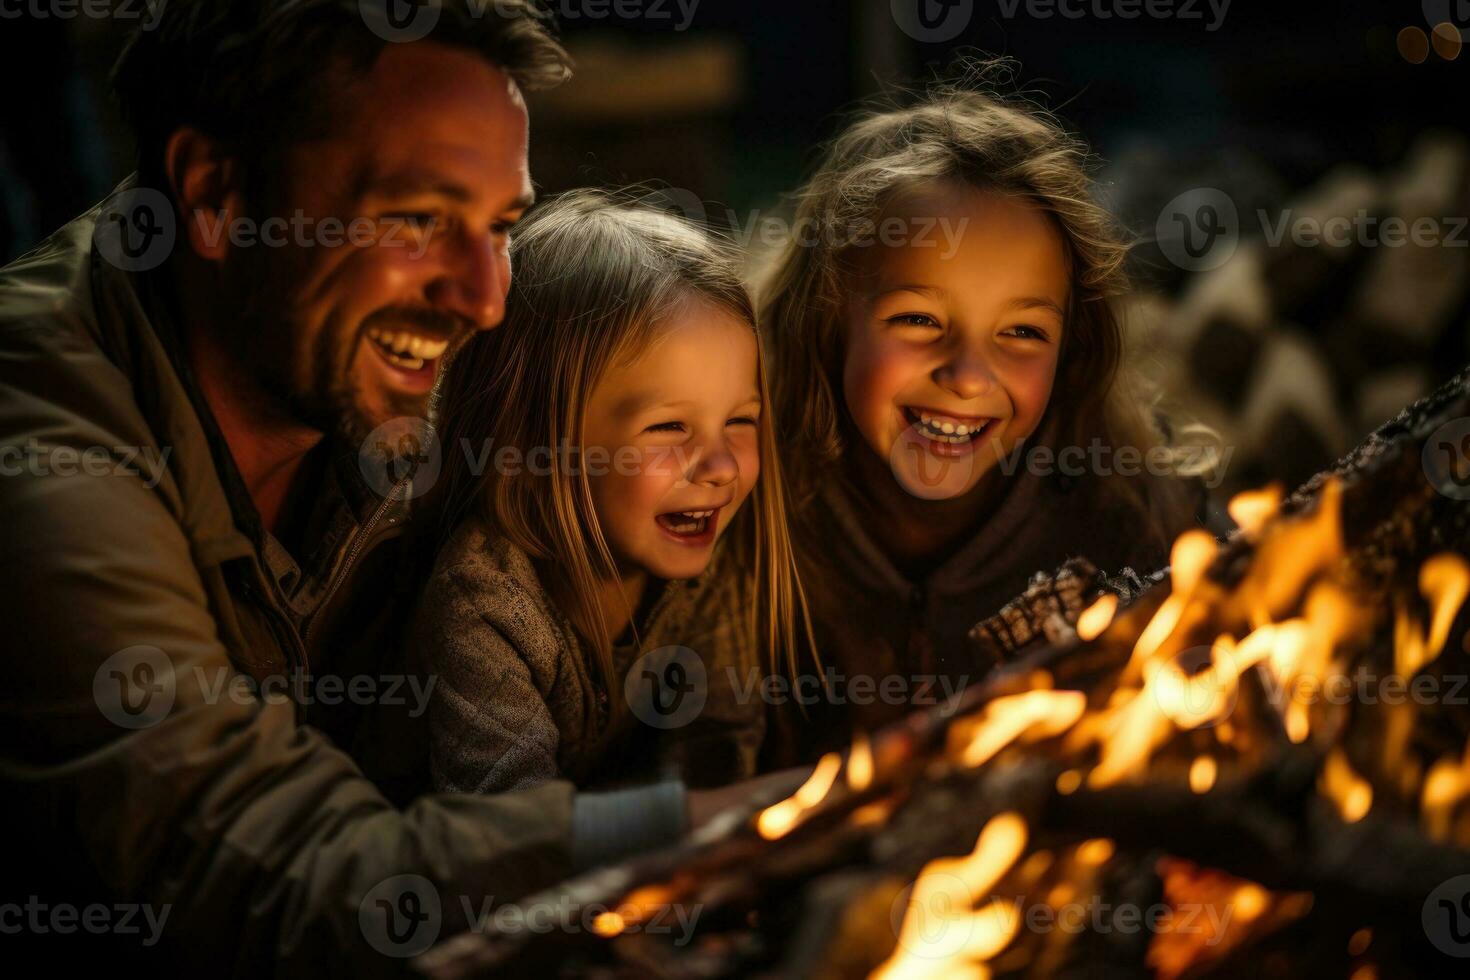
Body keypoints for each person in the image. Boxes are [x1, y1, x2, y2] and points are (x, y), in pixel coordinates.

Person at [0, 3, 792, 973]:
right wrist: (733, 827)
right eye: (418, 219)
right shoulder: (49, 464)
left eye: (503, 226)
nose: (487, 297)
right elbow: (290, 873)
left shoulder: (361, 352)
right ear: (214, 194)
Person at [756, 68, 1210, 764]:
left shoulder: (1133, 517)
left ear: (1073, 347)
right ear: (826, 318)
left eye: (1022, 333)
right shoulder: (749, 513)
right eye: (917, 319)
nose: (968, 376)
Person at [417, 189, 812, 795]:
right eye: (669, 427)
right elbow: (509, 827)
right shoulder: (483, 598)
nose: (721, 467)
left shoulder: (707, 563)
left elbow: (715, 752)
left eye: (740, 421)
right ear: (534, 444)